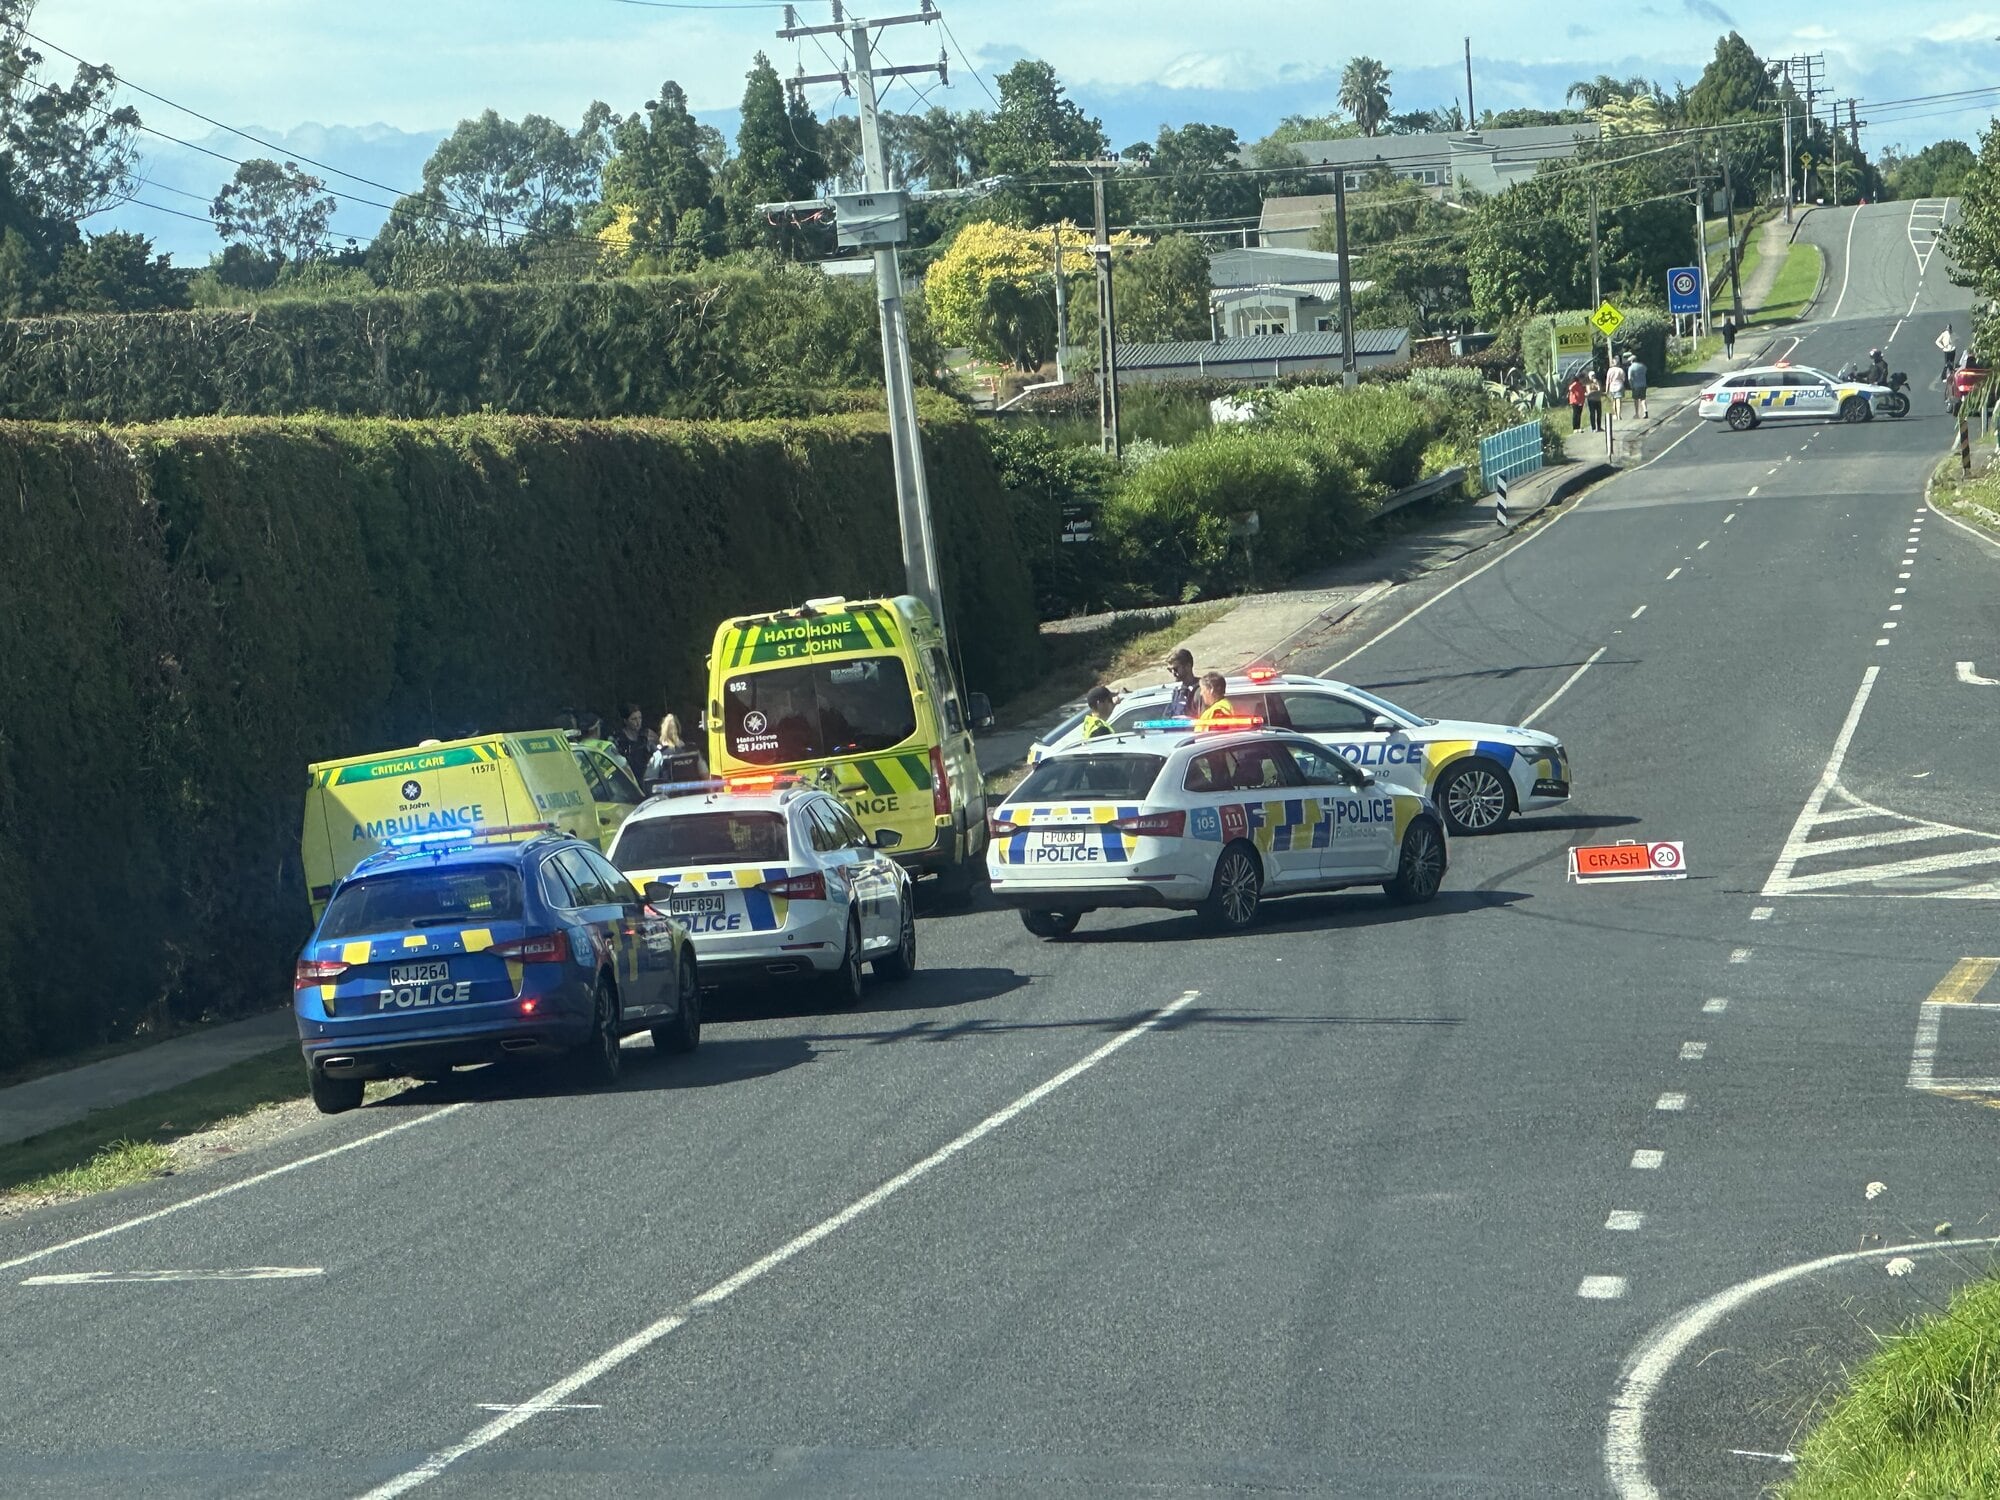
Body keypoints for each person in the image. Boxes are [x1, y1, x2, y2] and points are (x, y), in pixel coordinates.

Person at [644, 712, 708, 786]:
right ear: (679, 729)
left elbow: (649, 780)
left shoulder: (659, 755)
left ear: (663, 731)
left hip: (670, 797)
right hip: (695, 795)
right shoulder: (694, 751)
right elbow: (705, 776)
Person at [611, 702, 656, 778]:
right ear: (625, 721)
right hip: (628, 778)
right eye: (634, 719)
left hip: (646, 777)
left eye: (640, 718)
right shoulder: (619, 739)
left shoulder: (647, 734)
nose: (638, 722)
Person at [1164, 648, 1201, 719]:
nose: (1173, 673)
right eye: (1170, 670)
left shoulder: (1203, 688)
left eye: (1175, 669)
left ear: (1188, 666)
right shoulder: (1177, 690)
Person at [1627, 354, 1649, 419]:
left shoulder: (1631, 367)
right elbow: (1645, 372)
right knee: (1643, 398)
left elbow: (1629, 378)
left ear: (1632, 361)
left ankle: (1637, 413)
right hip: (1643, 384)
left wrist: (1631, 385)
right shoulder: (1642, 366)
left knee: (1636, 399)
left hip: (1635, 385)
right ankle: (1645, 411)